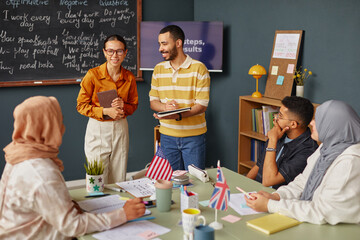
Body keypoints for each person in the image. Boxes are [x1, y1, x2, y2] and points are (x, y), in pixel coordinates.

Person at [0, 96, 145, 239]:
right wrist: (123, 214)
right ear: (48, 127)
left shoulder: (17, 155)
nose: (62, 127)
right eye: (58, 121)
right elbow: (72, 226)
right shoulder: (41, 173)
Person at [245, 100, 360, 225]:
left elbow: (322, 212)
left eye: (318, 120)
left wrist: (270, 205)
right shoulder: (326, 148)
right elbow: (302, 183)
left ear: (332, 127)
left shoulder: (350, 163)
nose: (311, 123)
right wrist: (276, 196)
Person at [77, 34, 138, 183]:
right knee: (97, 175)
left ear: (125, 52)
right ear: (104, 52)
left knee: (119, 175)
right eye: (110, 51)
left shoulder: (129, 77)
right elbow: (81, 105)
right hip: (98, 129)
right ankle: (97, 204)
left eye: (119, 51)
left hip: (120, 128)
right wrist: (105, 111)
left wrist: (124, 106)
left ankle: (117, 205)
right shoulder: (93, 75)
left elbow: (133, 105)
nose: (114, 55)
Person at [149, 25, 210, 170]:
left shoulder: (199, 68)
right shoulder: (158, 69)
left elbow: (201, 105)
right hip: (167, 137)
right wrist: (165, 108)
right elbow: (153, 102)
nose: (160, 49)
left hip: (193, 138)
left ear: (178, 43)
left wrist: (178, 115)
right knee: (170, 182)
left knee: (195, 183)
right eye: (159, 44)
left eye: (164, 43)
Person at [246, 96, 318, 189]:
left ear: (293, 124)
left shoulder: (308, 151)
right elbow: (258, 166)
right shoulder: (279, 133)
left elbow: (268, 181)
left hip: (277, 198)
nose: (275, 118)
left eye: (280, 116)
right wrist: (243, 186)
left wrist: (272, 141)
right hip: (256, 192)